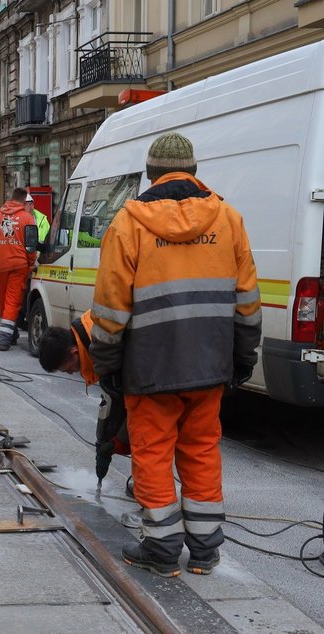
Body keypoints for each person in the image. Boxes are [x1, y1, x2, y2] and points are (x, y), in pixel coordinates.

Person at [91, 132, 261, 577]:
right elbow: (247, 301)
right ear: (194, 172)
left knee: (152, 452)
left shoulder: (127, 224)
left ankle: (163, 551)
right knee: (202, 449)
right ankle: (205, 551)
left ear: (150, 175)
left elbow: (109, 309)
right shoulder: (229, 220)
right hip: (209, 365)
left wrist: (107, 367)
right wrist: (243, 357)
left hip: (149, 368)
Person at [38, 310, 129, 490]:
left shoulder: (102, 350)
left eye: (67, 369)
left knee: (148, 444)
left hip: (164, 382)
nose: (72, 373)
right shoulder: (88, 329)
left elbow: (136, 407)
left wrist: (117, 441)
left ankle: (155, 504)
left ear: (74, 351)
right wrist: (107, 439)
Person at [0, 188, 37, 351]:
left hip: (0, 265)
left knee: (3, 299)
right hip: (19, 264)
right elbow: (31, 245)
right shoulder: (27, 218)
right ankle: (4, 337)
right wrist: (31, 263)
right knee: (13, 300)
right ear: (23, 201)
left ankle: (10, 331)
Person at [14, 192, 51, 340]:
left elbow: (46, 239)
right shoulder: (19, 218)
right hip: (22, 262)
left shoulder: (42, 220)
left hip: (37, 262)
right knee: (20, 293)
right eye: (23, 204)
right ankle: (19, 319)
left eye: (27, 204)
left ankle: (25, 318)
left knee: (31, 291)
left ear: (32, 205)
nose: (24, 207)